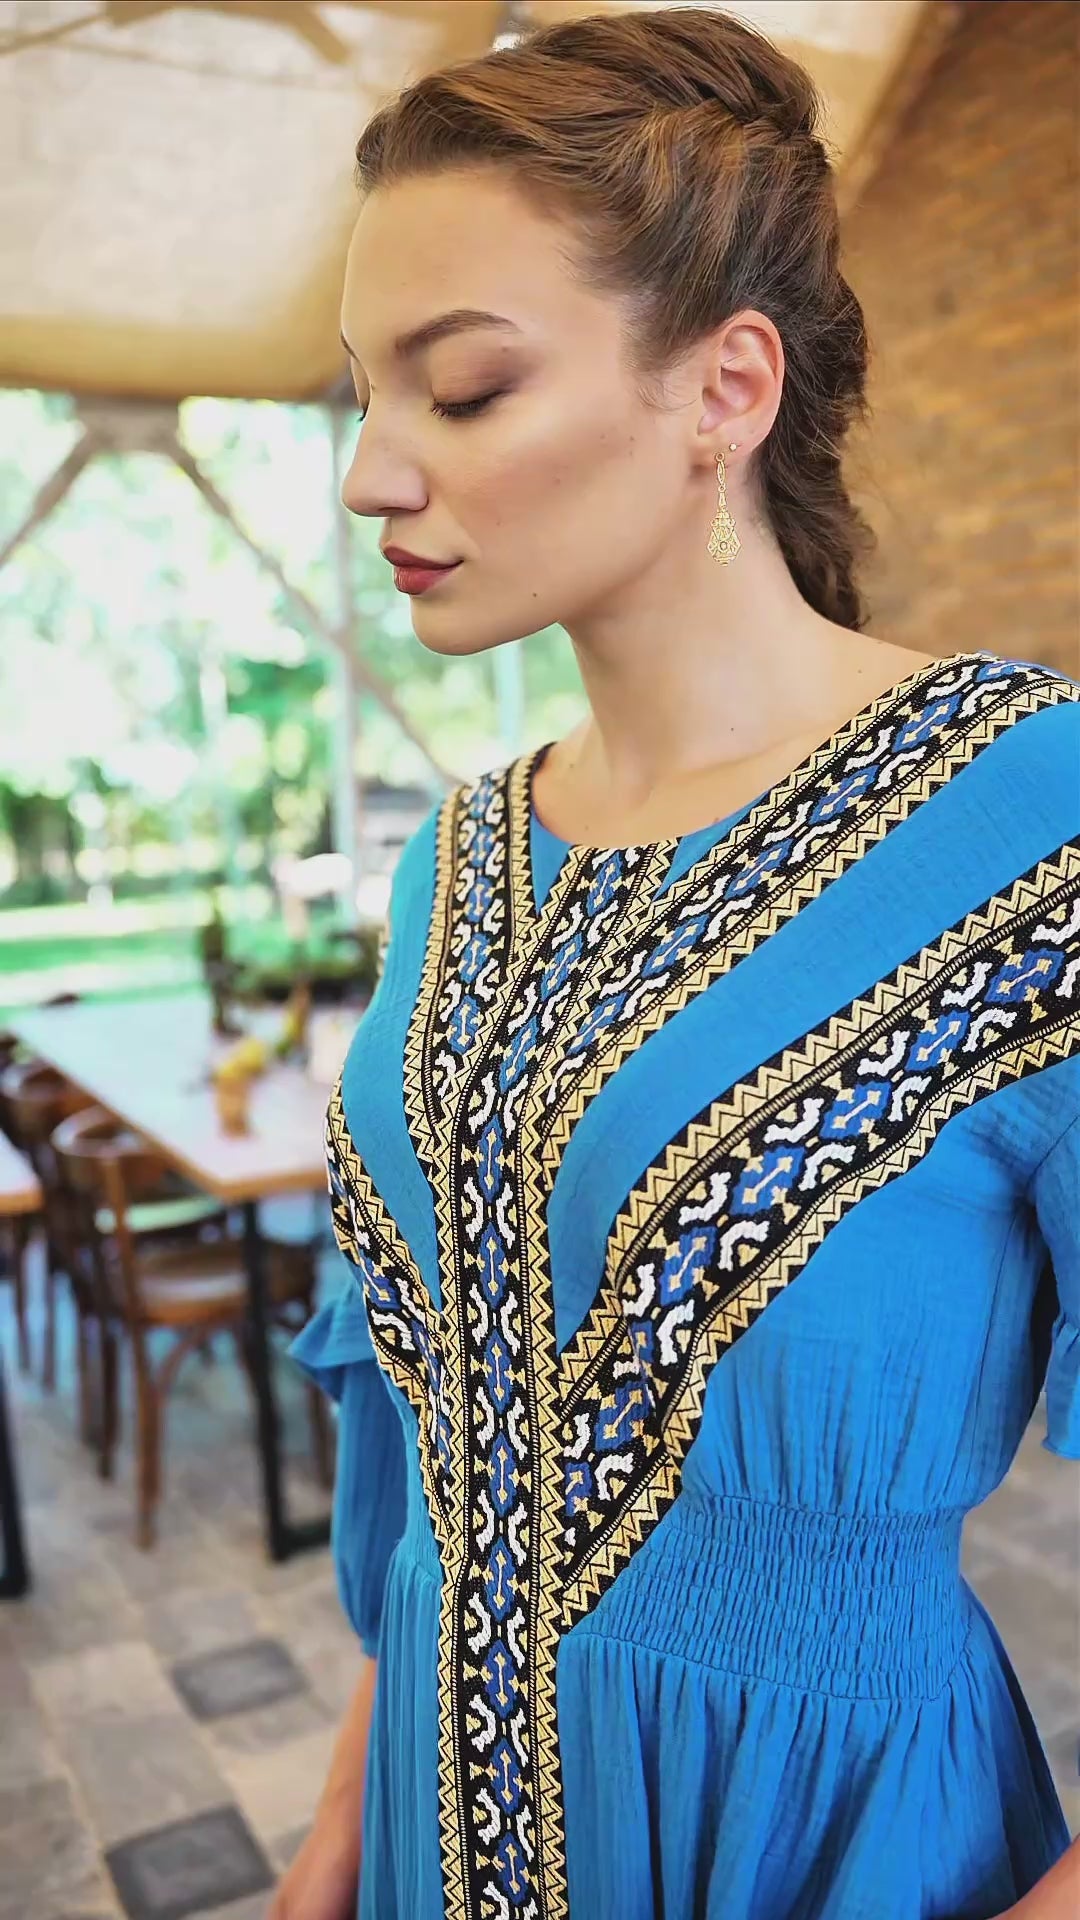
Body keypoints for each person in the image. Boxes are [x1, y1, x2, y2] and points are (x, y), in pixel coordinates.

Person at [275, 10, 1080, 1919]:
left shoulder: (1036, 822)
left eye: (464, 389)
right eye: (364, 397)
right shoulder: (462, 861)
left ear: (726, 387)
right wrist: (333, 1845)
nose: (372, 476)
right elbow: (439, 1443)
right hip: (435, 1828)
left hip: (820, 1838)